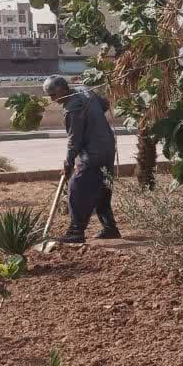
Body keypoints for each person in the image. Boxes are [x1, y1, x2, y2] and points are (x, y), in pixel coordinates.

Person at [42, 75, 120, 243]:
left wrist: (68, 163)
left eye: (53, 95)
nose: (52, 99)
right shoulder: (86, 91)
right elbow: (105, 105)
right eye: (49, 96)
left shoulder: (72, 108)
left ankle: (76, 232)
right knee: (102, 188)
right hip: (107, 147)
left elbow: (74, 140)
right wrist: (94, 121)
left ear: (63, 90)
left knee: (77, 188)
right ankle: (110, 228)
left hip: (92, 153)